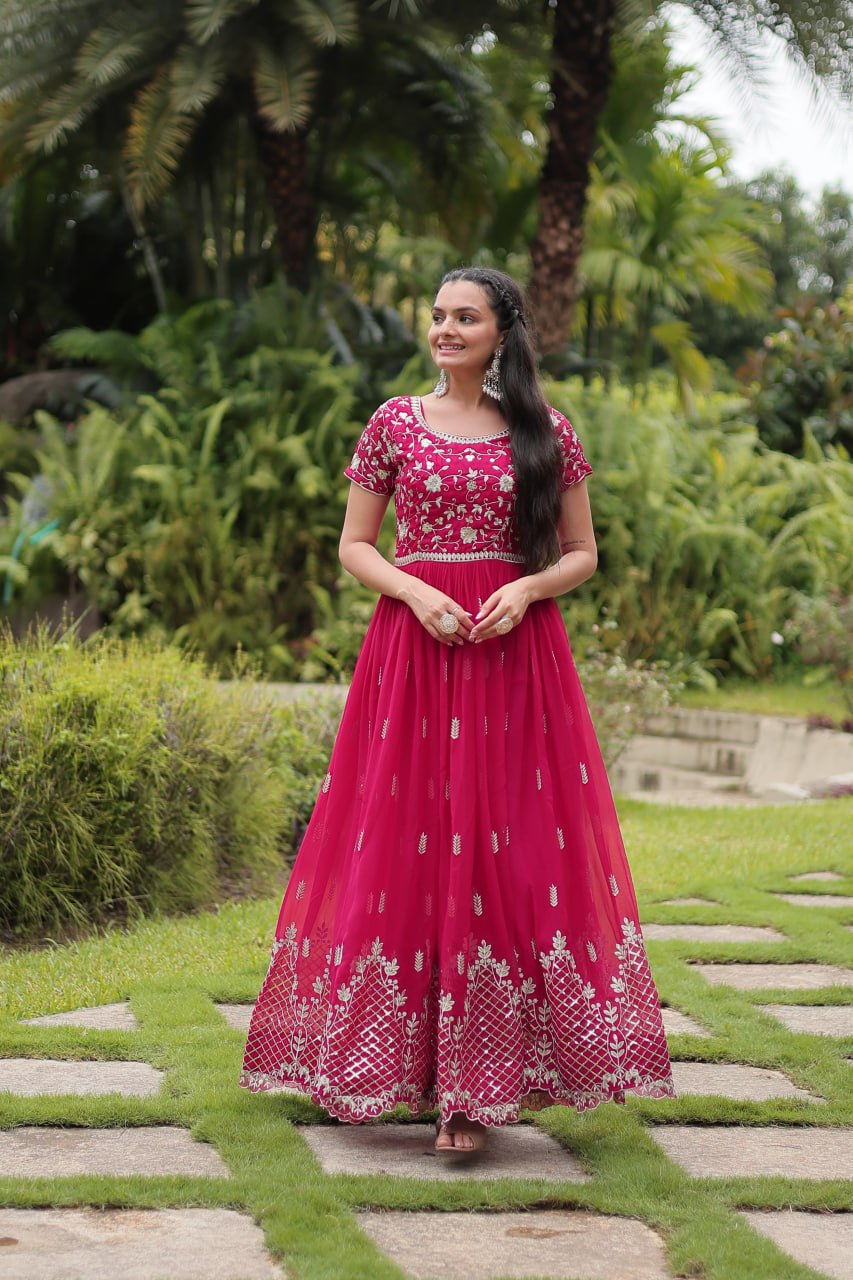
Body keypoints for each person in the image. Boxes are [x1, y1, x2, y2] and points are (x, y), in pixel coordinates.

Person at [240, 266, 675, 1154]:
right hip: (412, 656)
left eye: (463, 317)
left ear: (501, 333)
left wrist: (524, 590)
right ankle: (365, 1065)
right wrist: (412, 593)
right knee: (395, 839)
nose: (443, 330)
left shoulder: (544, 432)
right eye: (437, 316)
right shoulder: (395, 421)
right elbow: (354, 544)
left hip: (515, 661)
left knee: (504, 850)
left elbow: (582, 552)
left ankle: (471, 1095)